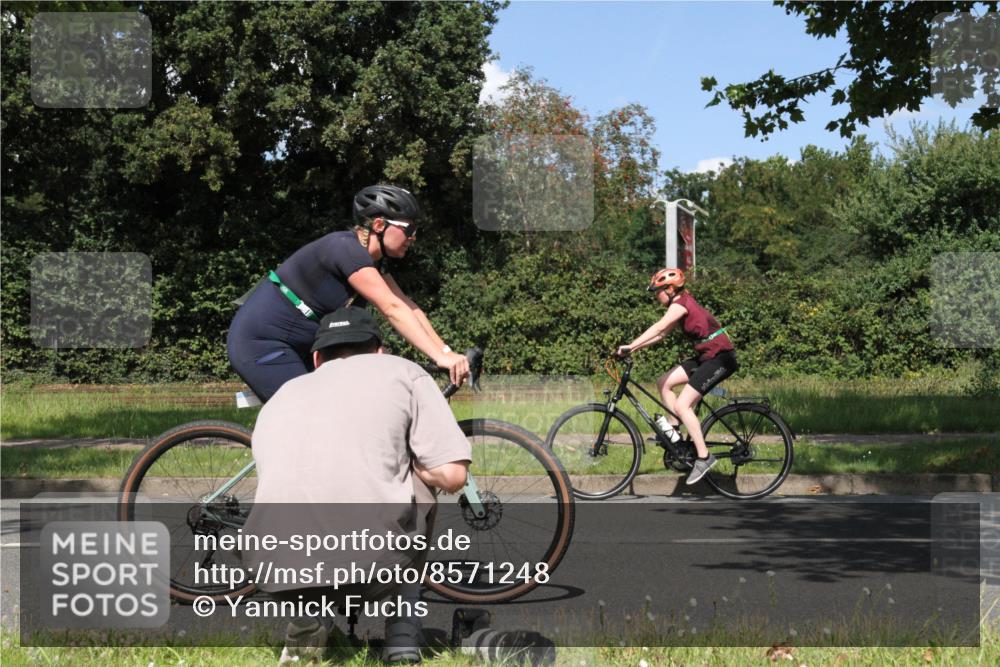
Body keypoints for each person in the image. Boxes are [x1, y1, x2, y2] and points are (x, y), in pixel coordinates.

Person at [242, 306, 472, 664]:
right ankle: (402, 635)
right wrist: (415, 467)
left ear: (317, 359)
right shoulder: (404, 372)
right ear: (379, 352)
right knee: (419, 478)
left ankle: (311, 613)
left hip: (273, 572)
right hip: (370, 569)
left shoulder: (284, 394)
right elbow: (454, 475)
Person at [227, 184, 469, 403]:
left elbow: (407, 306)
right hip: (262, 344)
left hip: (303, 346)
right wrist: (439, 357)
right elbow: (392, 309)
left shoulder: (373, 263)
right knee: (312, 416)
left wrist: (446, 353)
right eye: (409, 229)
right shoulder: (345, 249)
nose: (413, 237)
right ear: (379, 225)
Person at [615, 268, 739, 485]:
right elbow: (662, 334)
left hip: (720, 358)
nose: (656, 296)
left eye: (658, 291)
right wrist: (633, 349)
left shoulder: (680, 304)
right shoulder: (679, 303)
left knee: (682, 405)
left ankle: (704, 457)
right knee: (664, 382)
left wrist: (631, 345)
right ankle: (674, 433)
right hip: (706, 356)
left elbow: (659, 327)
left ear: (670, 289)